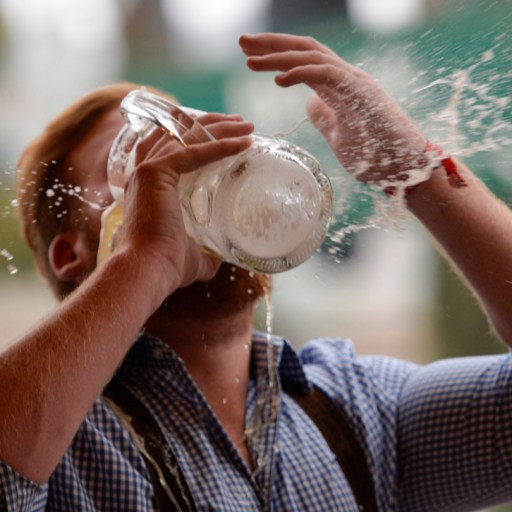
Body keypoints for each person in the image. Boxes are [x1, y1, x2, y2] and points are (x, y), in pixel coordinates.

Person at [1, 32, 512, 512]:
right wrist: (144, 259)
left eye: (189, 140)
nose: (184, 164)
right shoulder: (59, 450)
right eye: (142, 155)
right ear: (71, 256)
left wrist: (416, 169)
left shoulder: (356, 409)